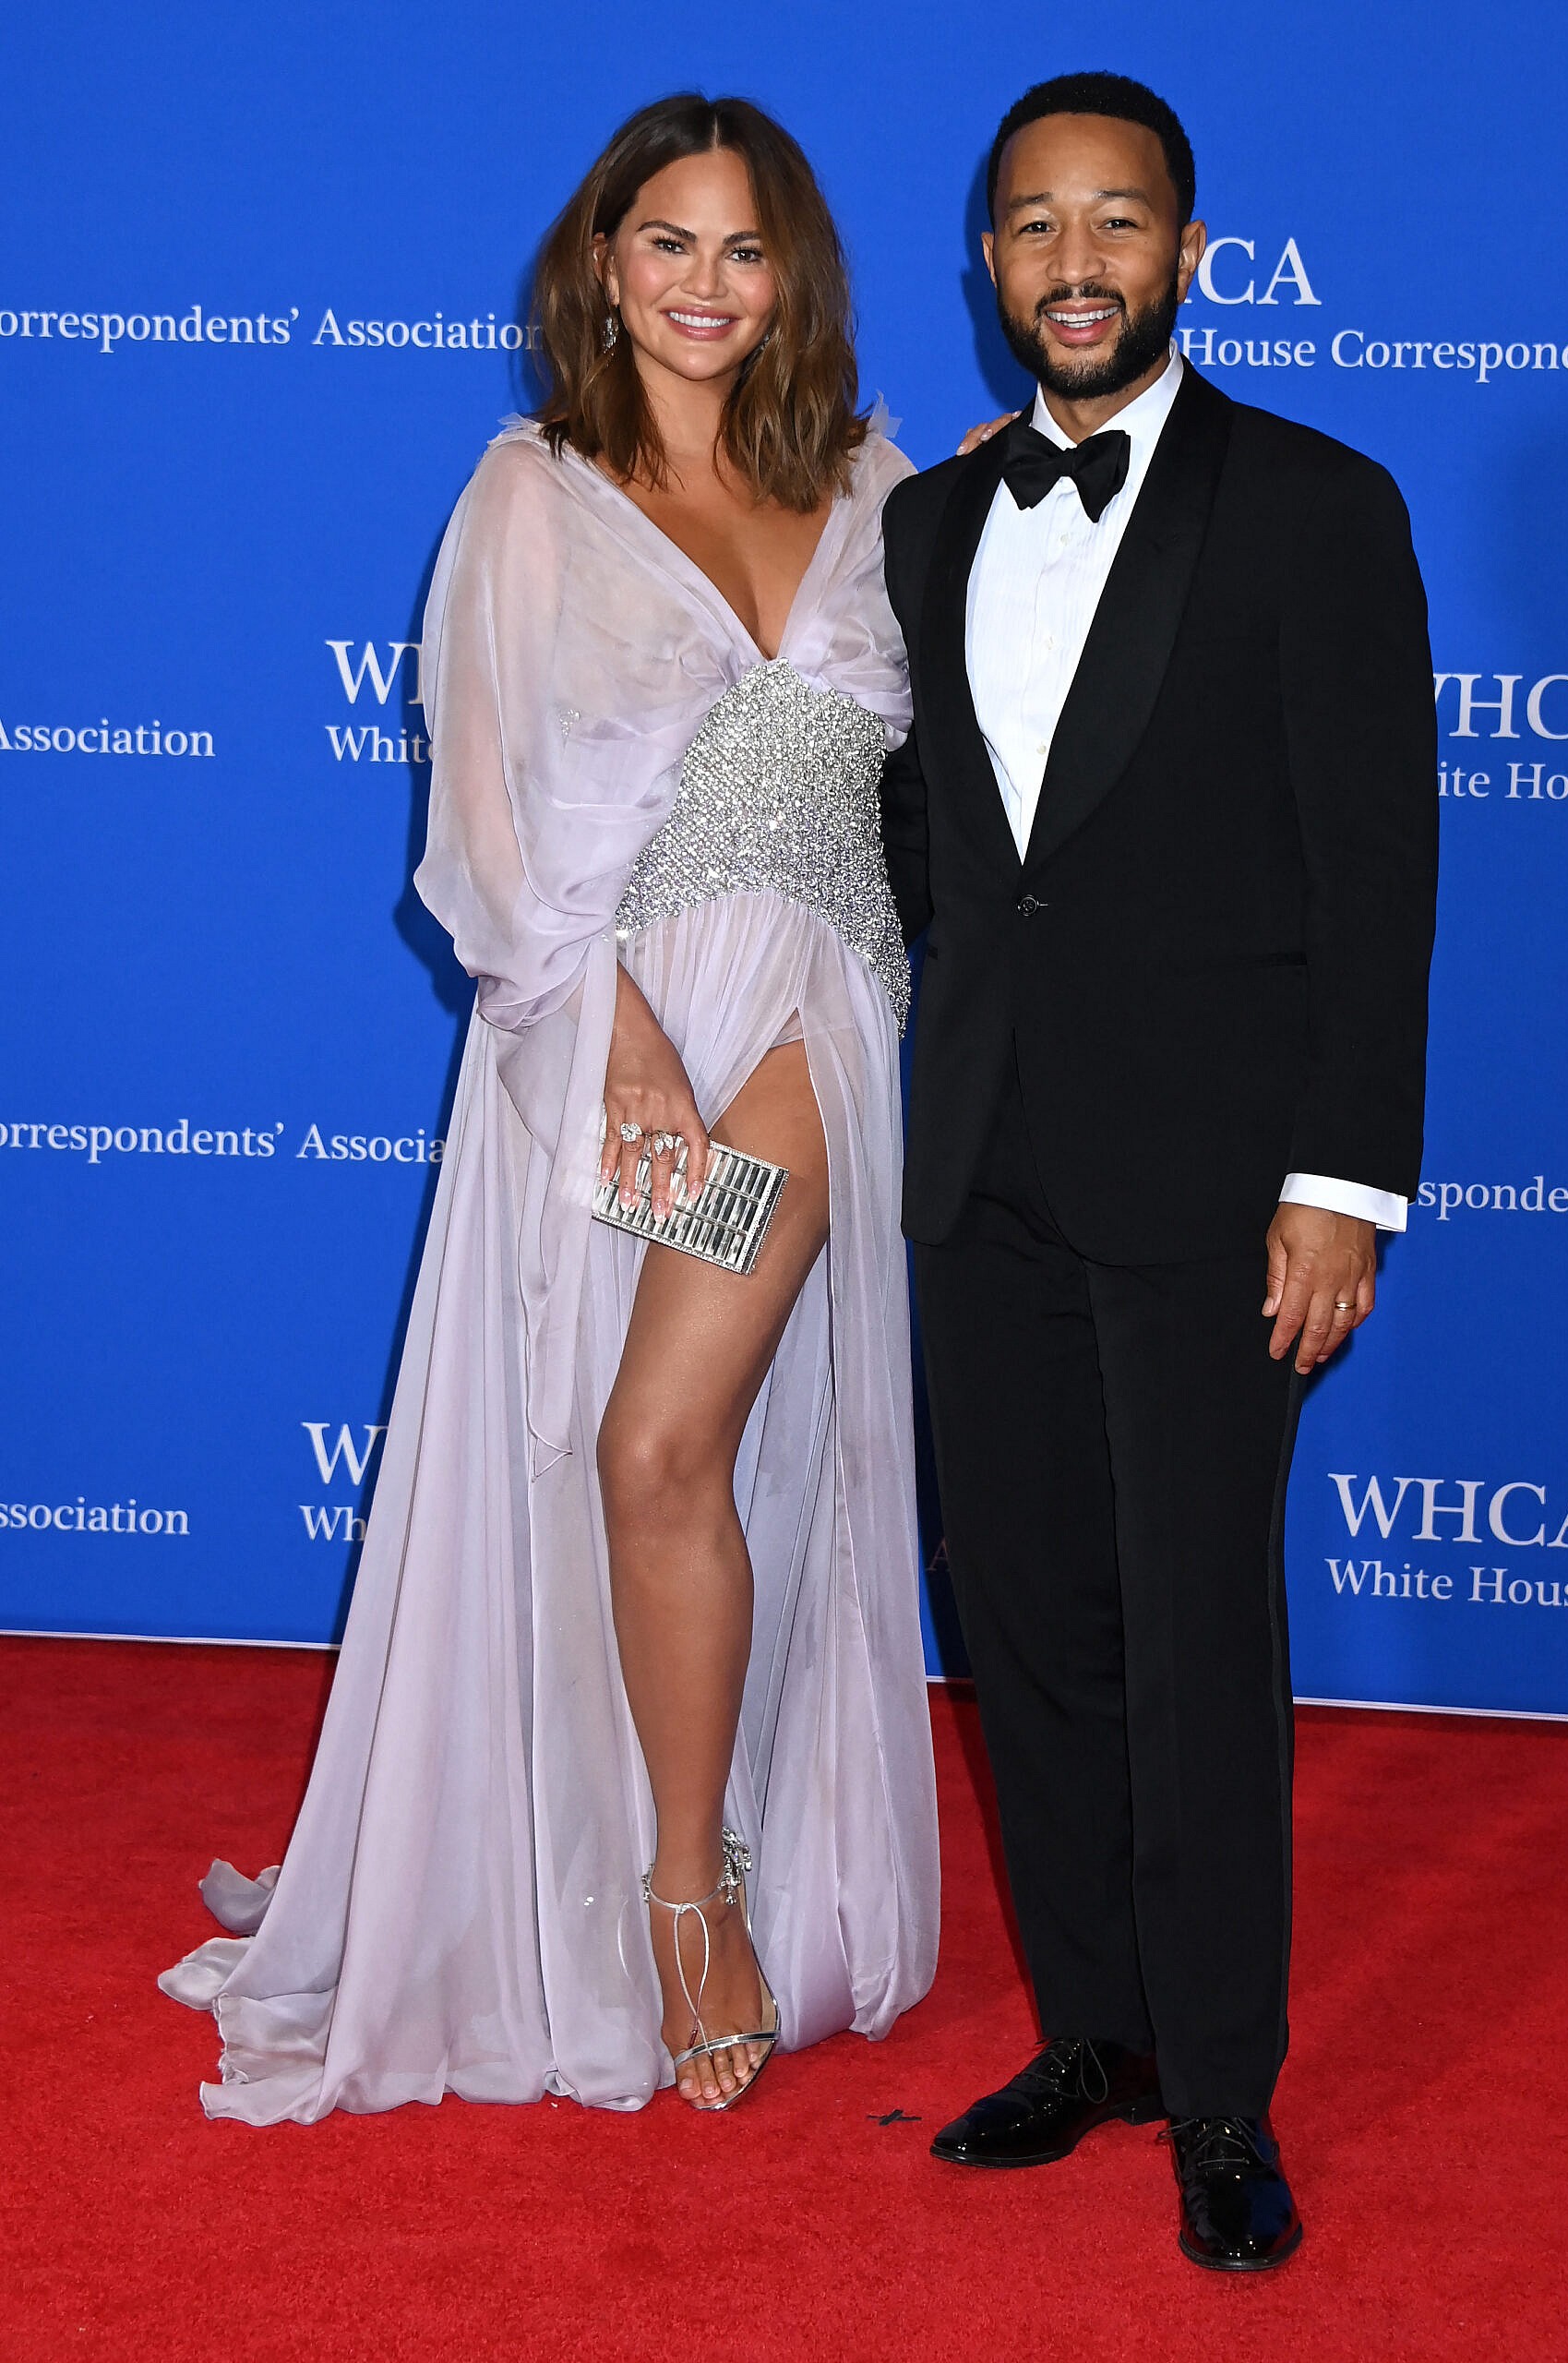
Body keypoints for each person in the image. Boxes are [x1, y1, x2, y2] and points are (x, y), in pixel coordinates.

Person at [162, 92, 939, 2120]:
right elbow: (488, 825)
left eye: (744, 249)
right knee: (610, 1448)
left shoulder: (878, 482)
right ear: (602, 263)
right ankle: (613, 1872)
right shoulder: (530, 491)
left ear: (795, 278)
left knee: (656, 1438)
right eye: (666, 242)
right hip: (597, 1037)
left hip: (817, 1023)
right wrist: (619, 1041)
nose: (704, 285)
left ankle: (692, 1895)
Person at [880, 72, 1437, 2266]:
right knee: (1029, 1616)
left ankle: (1221, 2088)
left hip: (1220, 1180)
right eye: (1036, 224)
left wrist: (1345, 1179)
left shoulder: (1316, 503)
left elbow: (1379, 868)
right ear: (989, 260)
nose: (1076, 260)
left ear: (1190, 253)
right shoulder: (934, 523)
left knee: (1201, 1631)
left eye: (1118, 221)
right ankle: (1095, 2030)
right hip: (983, 1157)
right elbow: (945, 848)